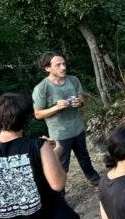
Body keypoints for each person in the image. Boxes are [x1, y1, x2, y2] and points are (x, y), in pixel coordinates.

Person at [32, 52, 100, 187]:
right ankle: (60, 192)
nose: (63, 67)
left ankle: (94, 178)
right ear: (47, 68)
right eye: (58, 65)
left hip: (77, 128)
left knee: (84, 156)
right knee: (63, 164)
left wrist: (79, 103)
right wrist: (56, 107)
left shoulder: (73, 80)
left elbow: (82, 99)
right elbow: (38, 114)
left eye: (64, 64)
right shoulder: (41, 88)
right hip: (59, 133)